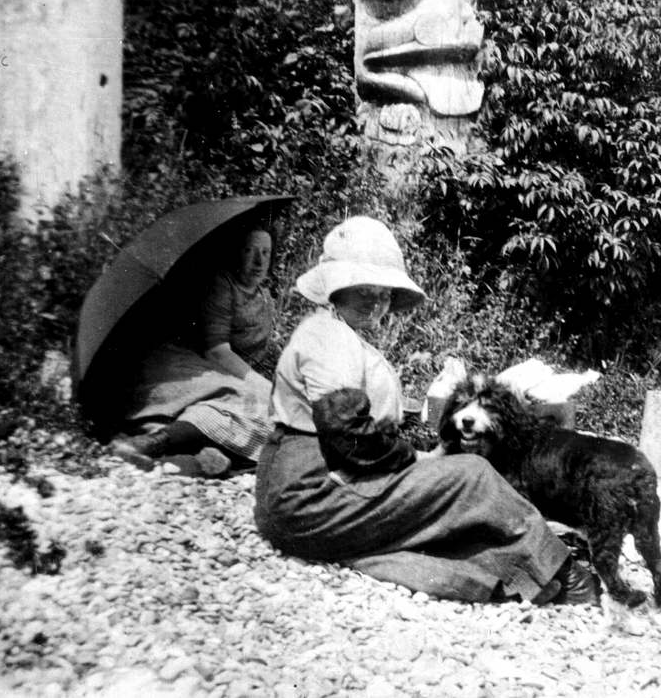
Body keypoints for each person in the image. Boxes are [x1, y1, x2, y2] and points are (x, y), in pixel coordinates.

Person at [253, 216, 598, 605]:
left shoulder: (337, 334)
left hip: (311, 491)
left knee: (454, 507)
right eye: (363, 290)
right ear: (335, 287)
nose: (377, 303)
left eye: (384, 293)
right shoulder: (328, 337)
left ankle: (534, 570)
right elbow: (346, 432)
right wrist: (412, 458)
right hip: (311, 494)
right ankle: (564, 576)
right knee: (472, 477)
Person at [112, 225, 277, 477]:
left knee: (268, 413)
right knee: (239, 399)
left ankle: (204, 456)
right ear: (236, 254)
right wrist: (260, 384)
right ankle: (156, 443)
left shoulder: (265, 296)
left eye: (265, 252)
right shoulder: (222, 285)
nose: (258, 261)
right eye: (249, 251)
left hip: (230, 371)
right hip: (193, 365)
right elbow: (218, 351)